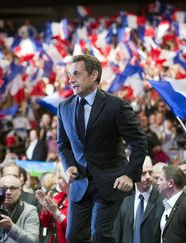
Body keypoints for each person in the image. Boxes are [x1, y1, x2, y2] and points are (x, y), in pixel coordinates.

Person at [57, 54, 147, 242]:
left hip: (110, 183)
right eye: (69, 75)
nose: (70, 80)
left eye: (76, 74)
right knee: (72, 237)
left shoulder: (117, 105)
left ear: (93, 75)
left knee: (100, 235)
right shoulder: (64, 107)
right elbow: (63, 144)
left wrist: (130, 175)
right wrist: (69, 166)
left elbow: (139, 143)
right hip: (80, 185)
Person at [113, 156, 162, 243]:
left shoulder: (162, 200)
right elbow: (117, 234)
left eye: (150, 172)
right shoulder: (124, 199)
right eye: (143, 173)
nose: (148, 177)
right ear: (132, 173)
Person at [36, 173, 69, 243]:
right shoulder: (58, 197)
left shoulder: (80, 202)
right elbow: (46, 224)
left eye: (60, 178)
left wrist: (55, 211)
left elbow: (72, 229)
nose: (57, 182)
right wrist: (45, 208)